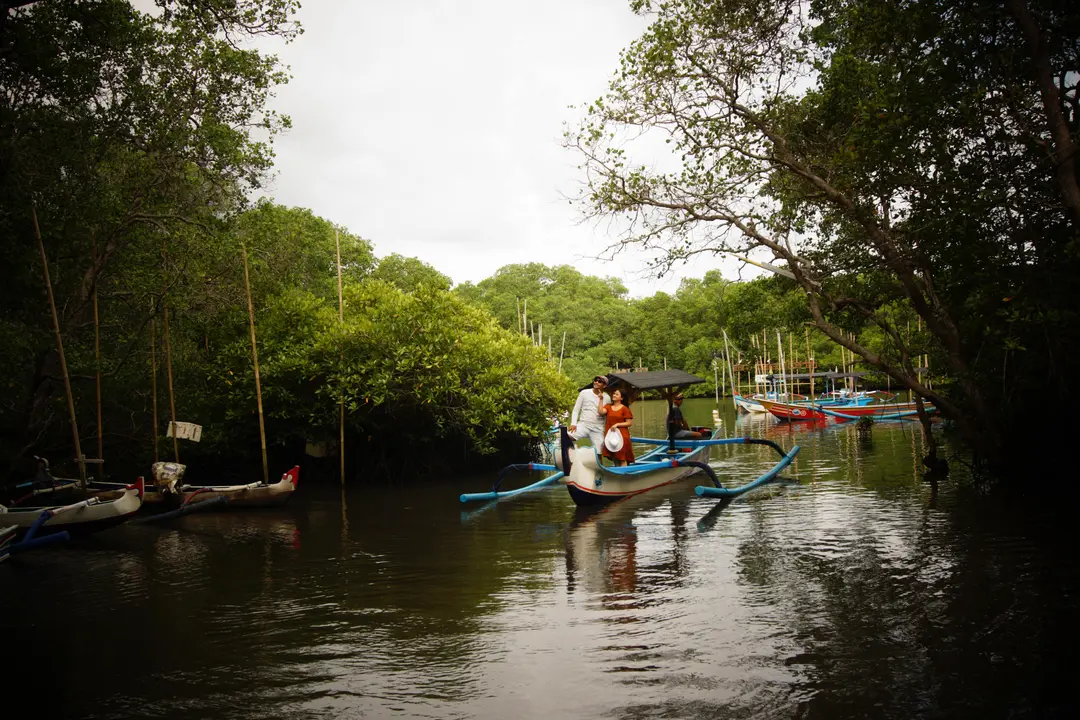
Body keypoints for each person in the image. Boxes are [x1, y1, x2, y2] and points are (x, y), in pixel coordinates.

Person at [569, 375, 611, 449]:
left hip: (598, 428)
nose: (596, 382)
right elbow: (576, 409)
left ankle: (597, 458)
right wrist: (573, 423)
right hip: (583, 425)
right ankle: (572, 454)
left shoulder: (607, 398)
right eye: (595, 380)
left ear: (604, 386)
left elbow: (608, 415)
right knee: (566, 437)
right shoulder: (584, 393)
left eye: (599, 381)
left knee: (599, 452)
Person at [599, 388, 634, 466]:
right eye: (614, 393)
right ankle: (618, 474)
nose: (614, 395)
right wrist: (601, 399)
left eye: (617, 394)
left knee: (622, 458)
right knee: (614, 457)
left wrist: (617, 424)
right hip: (610, 436)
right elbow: (601, 412)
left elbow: (629, 423)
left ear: (621, 398)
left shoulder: (624, 409)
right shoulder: (608, 406)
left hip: (622, 436)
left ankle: (624, 475)